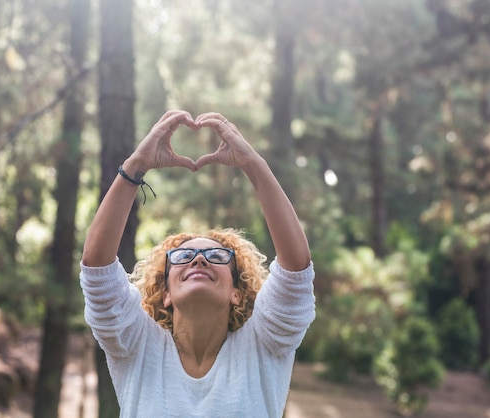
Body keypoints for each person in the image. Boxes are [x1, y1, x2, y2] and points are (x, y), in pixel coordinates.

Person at [80, 110, 316, 417]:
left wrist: (253, 164)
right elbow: (96, 269)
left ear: (236, 292)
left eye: (217, 257)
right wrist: (135, 165)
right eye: (183, 257)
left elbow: (296, 270)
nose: (200, 259)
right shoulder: (137, 346)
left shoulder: (265, 344)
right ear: (165, 292)